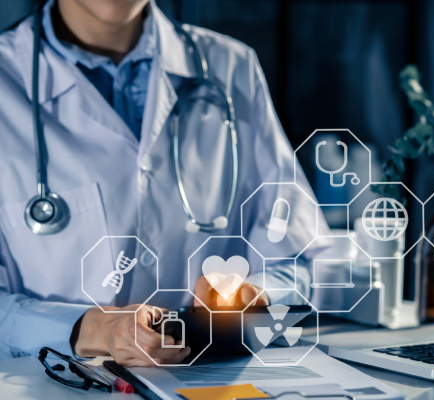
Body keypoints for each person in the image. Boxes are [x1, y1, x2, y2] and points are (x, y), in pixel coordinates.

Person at [0, 0, 325, 367]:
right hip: (52, 384)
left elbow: (301, 258)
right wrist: (90, 329)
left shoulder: (232, 68)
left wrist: (256, 292)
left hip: (206, 382)